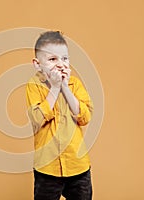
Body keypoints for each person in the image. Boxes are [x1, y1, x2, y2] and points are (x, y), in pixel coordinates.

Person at [26, 31, 94, 200]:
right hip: (47, 168)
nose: (60, 64)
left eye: (64, 58)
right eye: (52, 59)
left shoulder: (74, 84)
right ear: (37, 64)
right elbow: (37, 119)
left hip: (77, 165)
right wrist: (55, 88)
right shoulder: (34, 86)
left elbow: (84, 117)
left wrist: (64, 87)